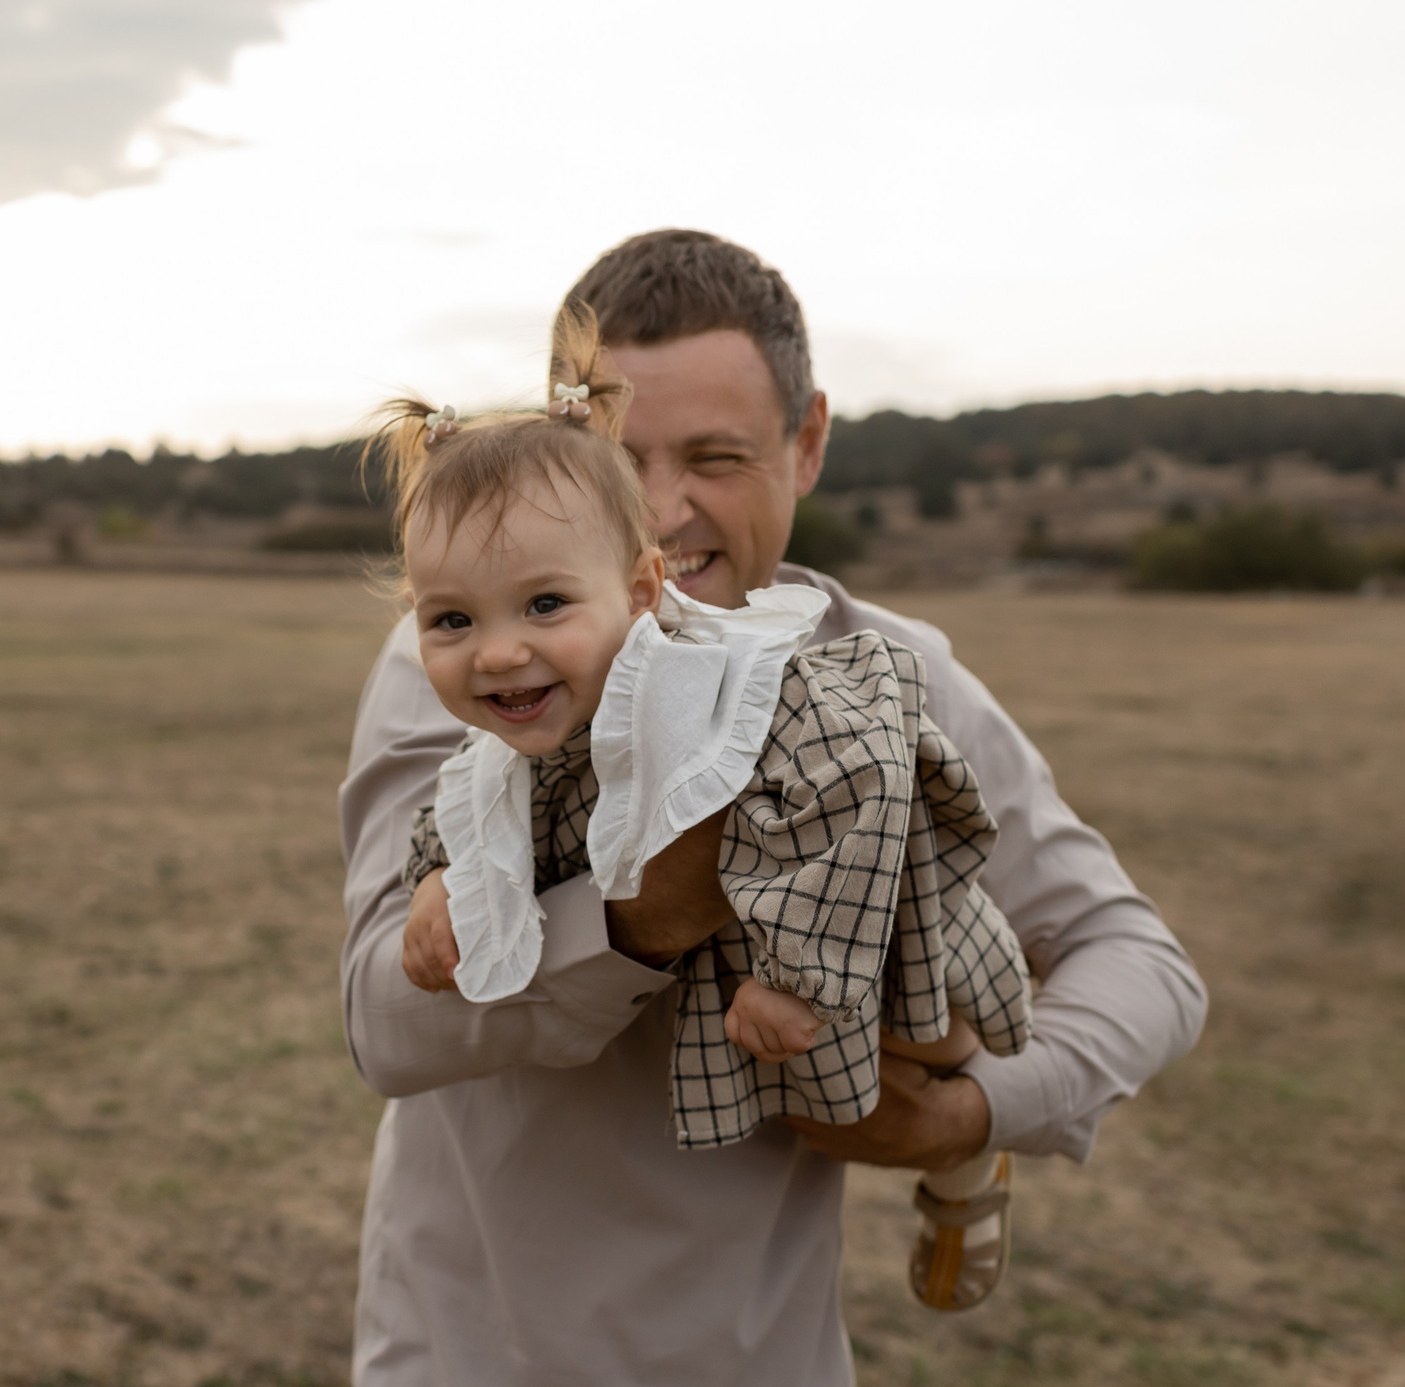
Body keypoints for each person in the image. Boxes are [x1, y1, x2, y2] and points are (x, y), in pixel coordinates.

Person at [337, 229, 1206, 1387]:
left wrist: (970, 1117)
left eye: (718, 456)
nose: (662, 513)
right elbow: (384, 1024)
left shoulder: (886, 672)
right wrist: (638, 922)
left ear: (806, 443)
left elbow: (1141, 958)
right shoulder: (486, 664)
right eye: (617, 446)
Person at [378, 306, 1035, 1313]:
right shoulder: (526, 716)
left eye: (544, 606)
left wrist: (803, 976)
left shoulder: (736, 687)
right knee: (804, 1087)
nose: (498, 651)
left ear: (640, 592)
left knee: (931, 1038)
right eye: (452, 621)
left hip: (888, 935)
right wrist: (439, 877)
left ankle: (961, 1175)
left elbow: (854, 786)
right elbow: (477, 793)